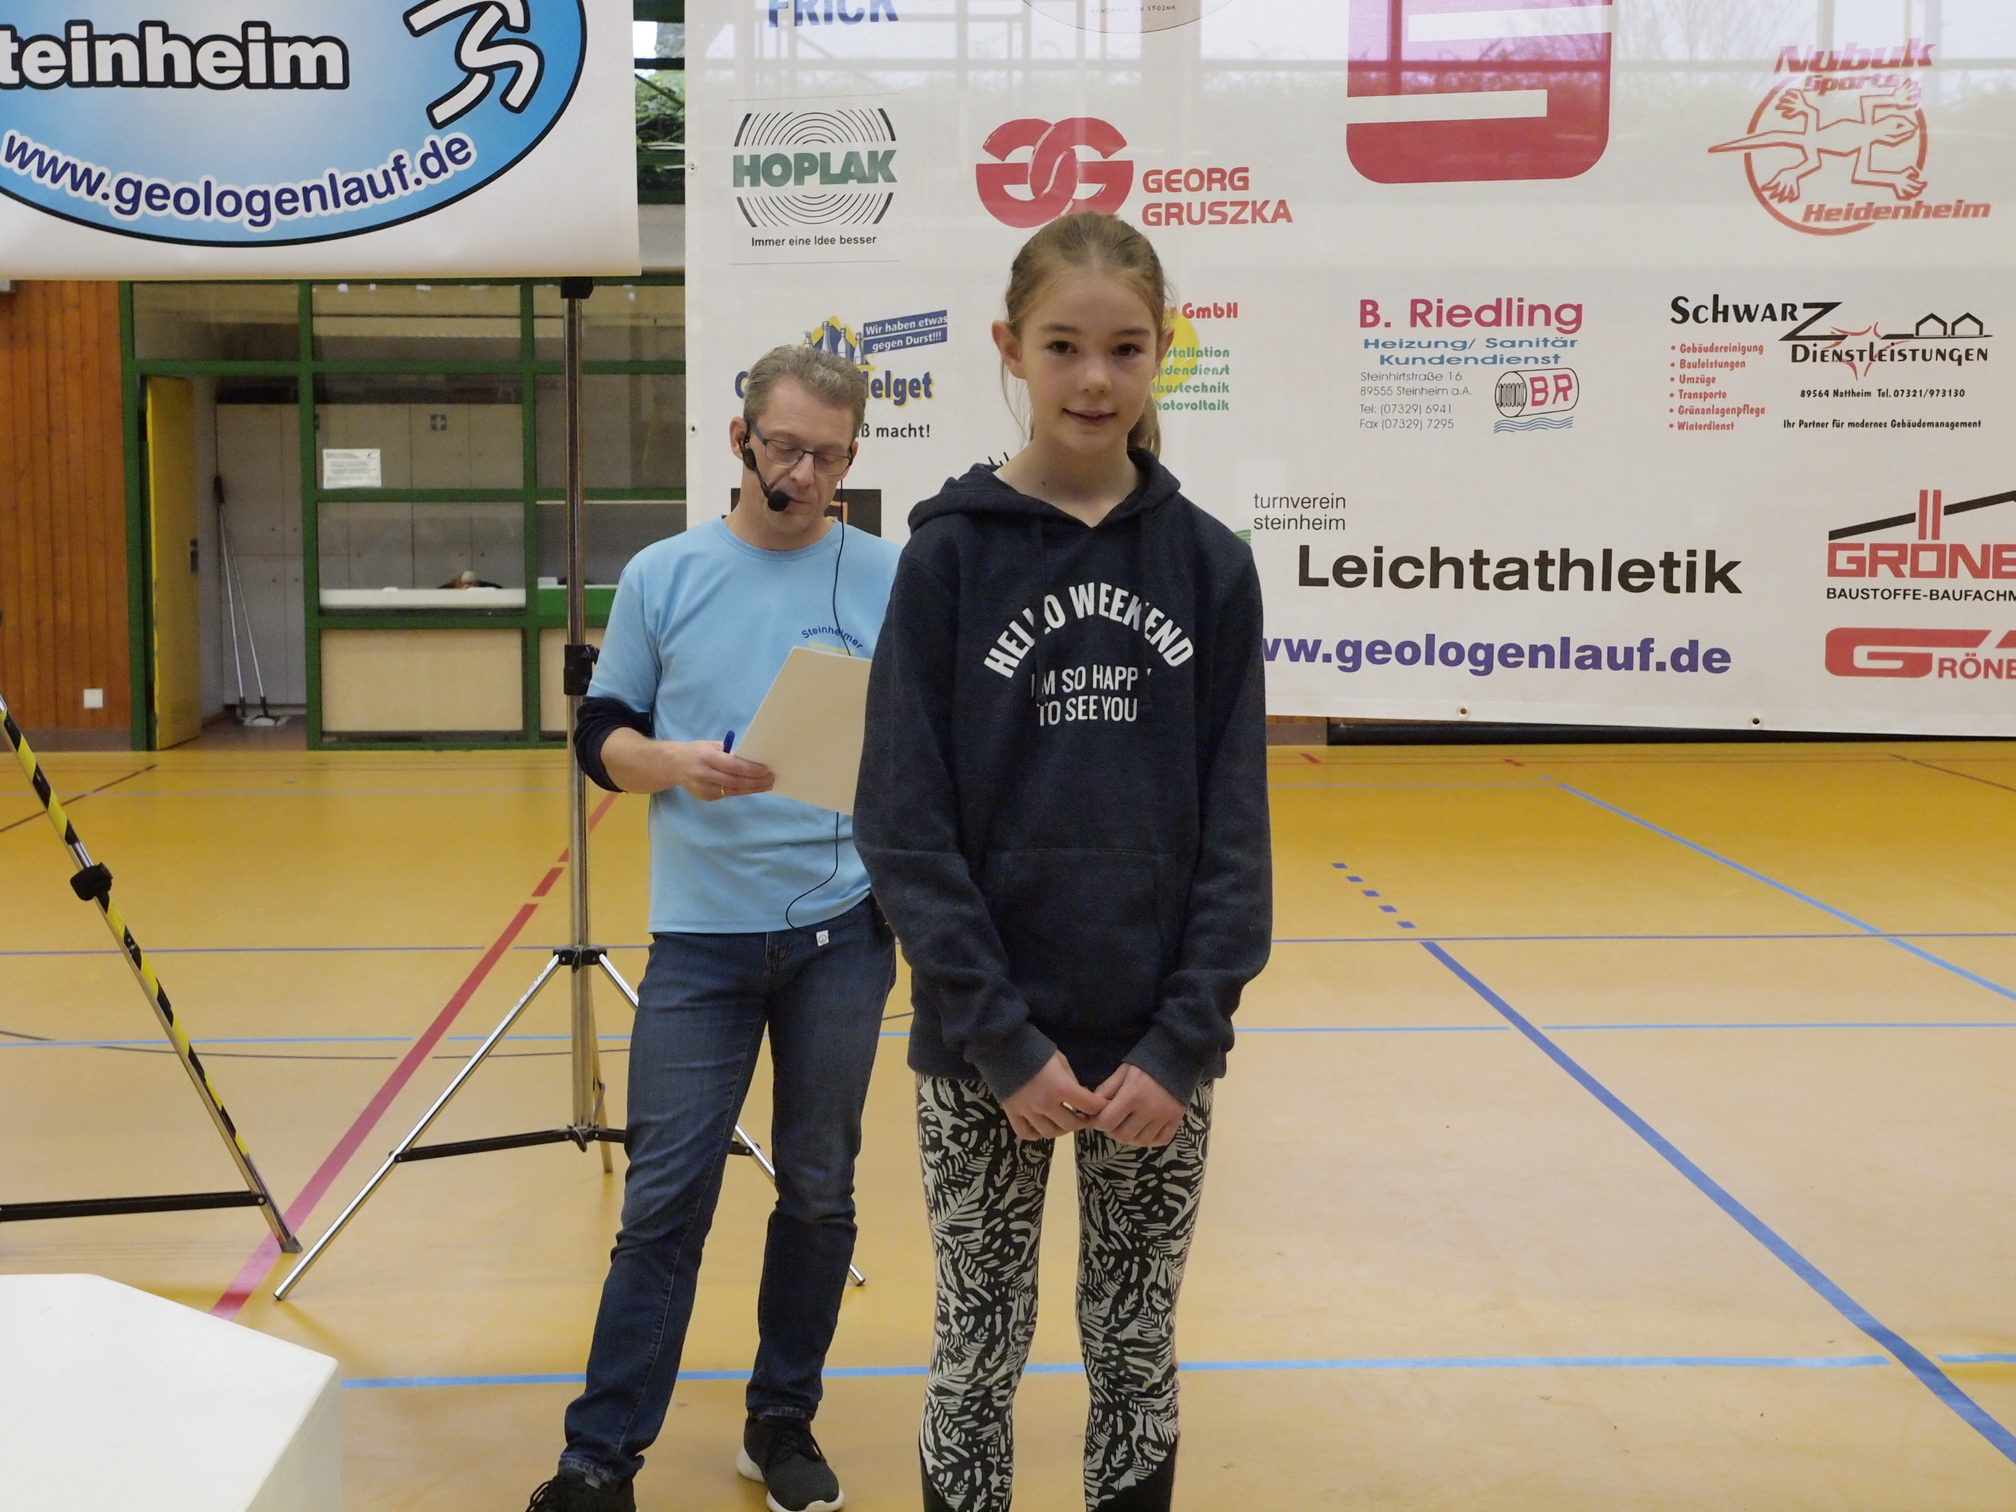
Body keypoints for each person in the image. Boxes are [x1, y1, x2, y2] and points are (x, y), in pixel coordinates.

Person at [855, 214, 1272, 1512]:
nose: (1095, 378)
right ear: (1010, 348)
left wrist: (1182, 1044)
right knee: (975, 1353)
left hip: (1155, 1056)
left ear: (1162, 352)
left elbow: (1236, 838)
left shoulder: (1212, 567)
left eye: (1126, 348)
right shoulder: (949, 557)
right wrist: (1001, 1041)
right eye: (1064, 346)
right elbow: (902, 823)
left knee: (1135, 1350)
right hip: (984, 1052)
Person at [527, 345, 901, 1512]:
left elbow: (928, 740)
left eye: (829, 457)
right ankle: (599, 1460)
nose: (804, 475)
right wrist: (673, 763)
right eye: (784, 448)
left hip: (842, 933)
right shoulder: (665, 575)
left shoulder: (888, 576)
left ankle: (781, 1422)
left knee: (820, 1190)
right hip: (700, 940)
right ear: (740, 440)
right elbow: (600, 735)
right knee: (664, 1202)